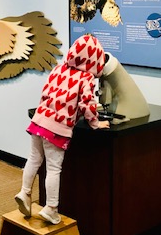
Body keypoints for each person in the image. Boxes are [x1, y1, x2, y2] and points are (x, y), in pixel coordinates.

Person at [15, 34, 110, 224]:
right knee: (53, 168)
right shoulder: (86, 77)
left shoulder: (59, 69)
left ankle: (25, 193)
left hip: (39, 120)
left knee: (34, 159)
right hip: (56, 128)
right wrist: (95, 123)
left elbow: (45, 93)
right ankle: (51, 208)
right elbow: (87, 105)